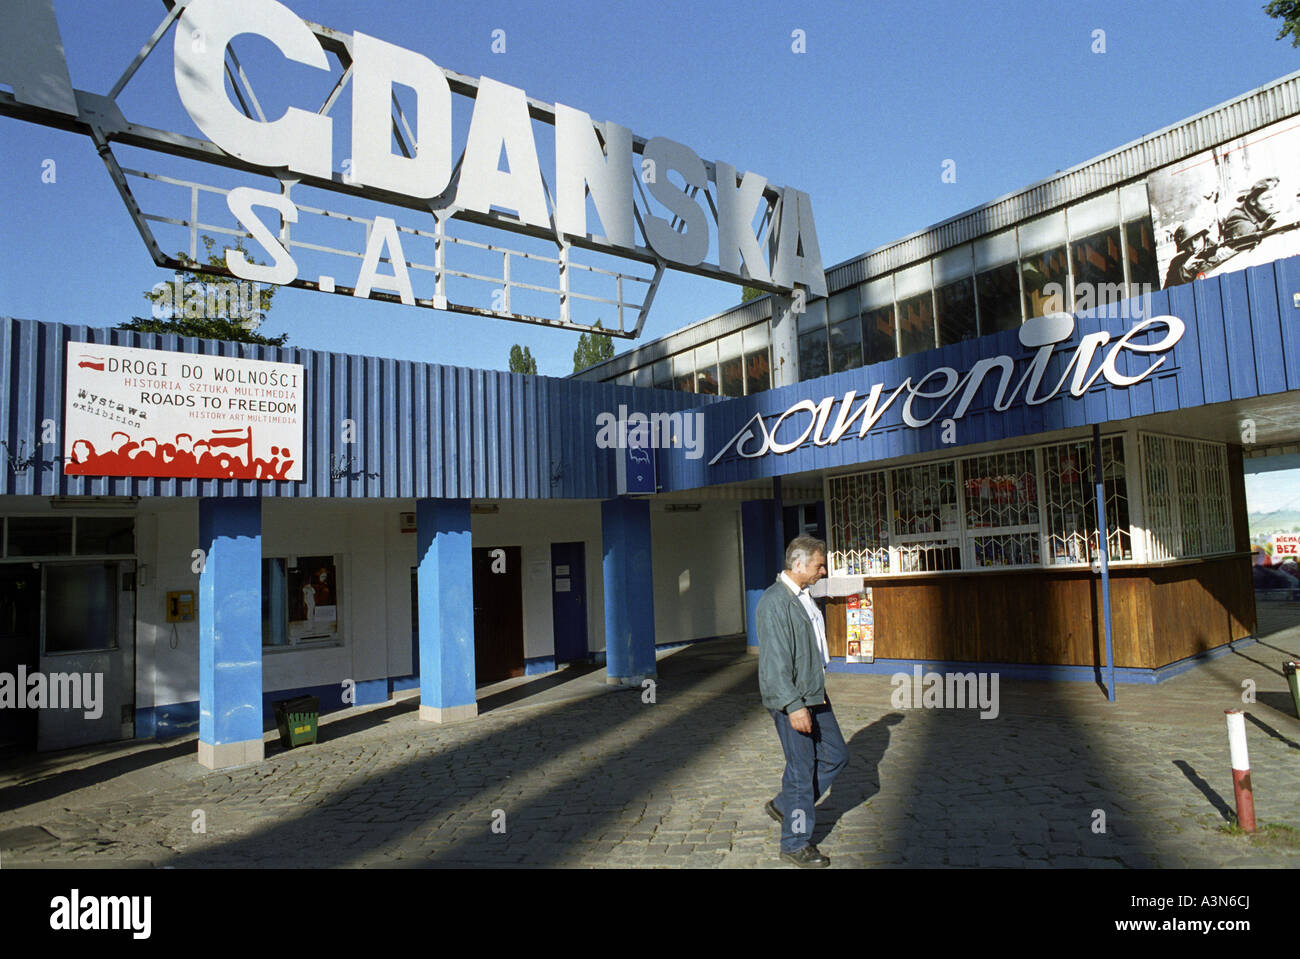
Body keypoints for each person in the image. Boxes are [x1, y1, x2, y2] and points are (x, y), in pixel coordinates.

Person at [756, 534, 849, 867]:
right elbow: (776, 662)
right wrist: (793, 705)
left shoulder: (805, 596)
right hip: (793, 698)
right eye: (819, 565)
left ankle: (785, 804)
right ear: (798, 564)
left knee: (836, 755)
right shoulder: (774, 602)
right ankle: (795, 842)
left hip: (815, 693)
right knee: (801, 770)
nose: (823, 571)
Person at [1220, 176, 1282, 250]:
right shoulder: (1236, 216)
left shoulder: (1265, 211)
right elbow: (1251, 236)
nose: (1272, 203)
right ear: (1252, 201)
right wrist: (1270, 221)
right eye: (1267, 198)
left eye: (1275, 196)